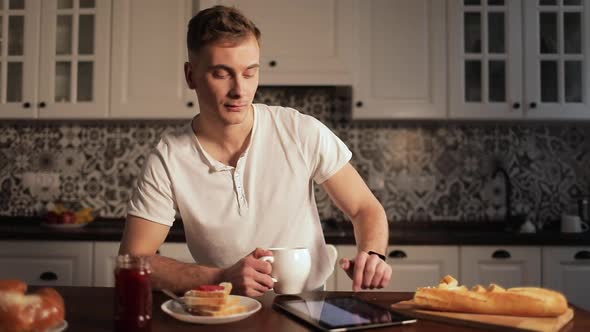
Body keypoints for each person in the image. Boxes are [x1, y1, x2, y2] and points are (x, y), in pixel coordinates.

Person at [119, 5, 391, 297]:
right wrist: (221, 277)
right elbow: (133, 260)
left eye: (249, 73)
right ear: (191, 76)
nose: (240, 90)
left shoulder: (299, 130)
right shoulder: (169, 157)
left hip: (308, 305)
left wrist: (373, 255)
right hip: (222, 307)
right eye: (222, 74)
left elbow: (365, 208)